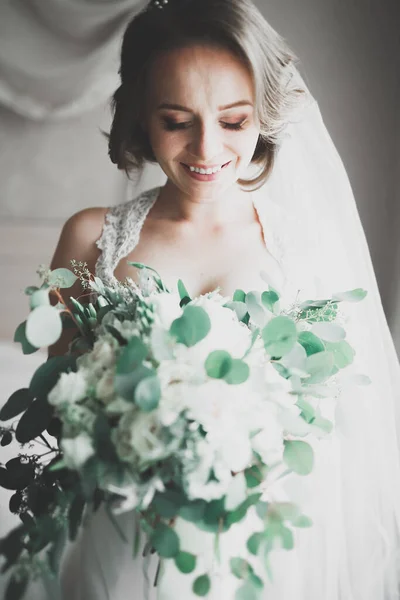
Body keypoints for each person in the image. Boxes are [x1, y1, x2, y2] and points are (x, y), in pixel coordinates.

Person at [49, 0, 400, 598]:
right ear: (140, 116)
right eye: (176, 120)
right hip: (126, 531)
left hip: (257, 549)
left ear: (264, 115)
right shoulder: (90, 238)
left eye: (234, 121)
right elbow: (64, 406)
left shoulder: (303, 244)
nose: (207, 149)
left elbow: (338, 427)